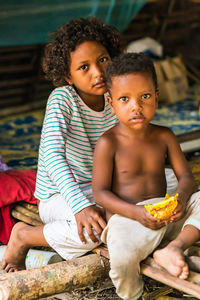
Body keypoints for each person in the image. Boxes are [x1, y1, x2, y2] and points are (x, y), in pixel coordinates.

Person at [2, 17, 122, 272]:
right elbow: (53, 156)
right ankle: (24, 236)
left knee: (166, 184)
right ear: (68, 76)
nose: (98, 73)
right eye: (84, 67)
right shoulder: (62, 100)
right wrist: (80, 206)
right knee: (100, 227)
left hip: (99, 189)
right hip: (60, 195)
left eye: (103, 60)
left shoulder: (116, 96)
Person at [92, 52, 200, 300]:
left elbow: (186, 176)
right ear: (111, 104)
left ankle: (174, 248)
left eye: (145, 96)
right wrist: (137, 213)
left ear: (157, 97)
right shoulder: (108, 143)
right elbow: (100, 193)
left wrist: (181, 200)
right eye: (124, 99)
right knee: (121, 258)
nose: (136, 106)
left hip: (167, 215)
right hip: (128, 220)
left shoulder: (165, 136)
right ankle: (133, 295)